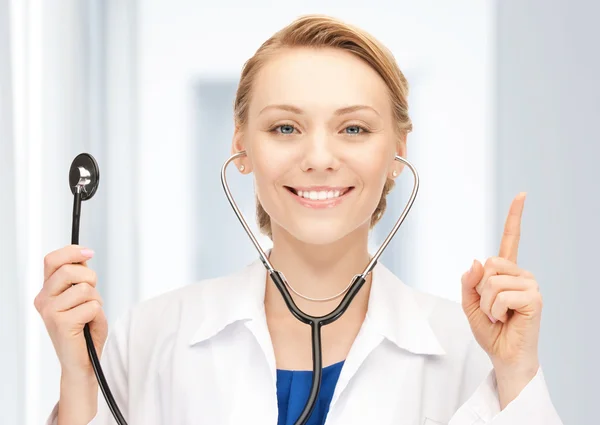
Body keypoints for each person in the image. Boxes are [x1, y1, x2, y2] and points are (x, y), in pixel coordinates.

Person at [36, 14, 563, 425]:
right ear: (241, 146)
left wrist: (516, 371)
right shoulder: (149, 339)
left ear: (398, 150)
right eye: (285, 128)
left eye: (353, 129)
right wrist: (80, 376)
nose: (318, 157)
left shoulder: (471, 351)